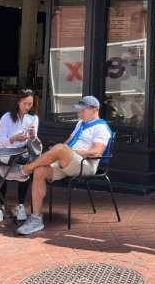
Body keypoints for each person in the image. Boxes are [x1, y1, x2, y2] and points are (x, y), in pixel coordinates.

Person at [14, 95, 112, 235]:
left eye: (82, 111)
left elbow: (96, 152)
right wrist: (55, 153)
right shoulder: (81, 123)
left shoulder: (101, 127)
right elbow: (68, 142)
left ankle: (25, 169)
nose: (79, 114)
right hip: (67, 162)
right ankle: (36, 220)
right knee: (40, 170)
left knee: (60, 148)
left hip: (86, 165)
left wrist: (65, 151)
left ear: (94, 110)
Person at [0, 89, 42, 223]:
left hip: (22, 153)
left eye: (30, 104)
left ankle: (21, 205)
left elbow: (33, 141)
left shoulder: (33, 118)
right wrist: (13, 139)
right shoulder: (7, 117)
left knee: (26, 171)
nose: (27, 107)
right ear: (18, 102)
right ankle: (0, 206)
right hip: (6, 152)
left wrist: (32, 136)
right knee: (0, 173)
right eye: (25, 103)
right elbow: (1, 141)